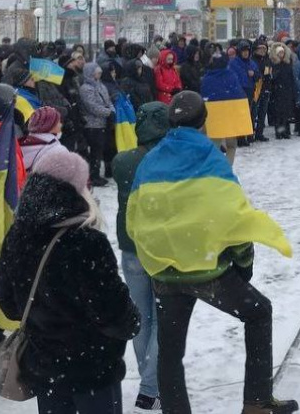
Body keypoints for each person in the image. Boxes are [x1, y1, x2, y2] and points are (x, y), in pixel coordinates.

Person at [126, 91, 297, 414]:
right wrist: (242, 264)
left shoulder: (151, 160)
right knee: (258, 312)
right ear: (204, 121)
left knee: (170, 350)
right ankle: (257, 402)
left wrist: (157, 259)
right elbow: (233, 215)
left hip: (165, 271)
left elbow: (135, 219)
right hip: (208, 270)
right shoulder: (210, 157)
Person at [0, 150, 140, 414]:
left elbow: (8, 304)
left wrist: (45, 318)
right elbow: (114, 314)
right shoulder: (87, 243)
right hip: (92, 369)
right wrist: (132, 320)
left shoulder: (17, 235)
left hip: (45, 366)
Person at [111, 102, 170, 411]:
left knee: (141, 317)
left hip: (131, 245)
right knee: (164, 317)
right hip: (162, 246)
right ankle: (150, 386)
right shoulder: (170, 160)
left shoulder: (122, 161)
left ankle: (149, 381)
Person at [78, 62, 113, 187]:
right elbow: (92, 107)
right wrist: (108, 113)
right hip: (92, 125)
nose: (99, 75)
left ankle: (96, 174)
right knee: (94, 151)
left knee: (99, 151)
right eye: (97, 73)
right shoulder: (86, 89)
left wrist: (111, 111)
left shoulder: (101, 86)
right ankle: (93, 175)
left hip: (102, 123)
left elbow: (107, 101)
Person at [20, 106, 69, 175]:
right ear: (50, 125)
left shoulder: (19, 143)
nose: (61, 125)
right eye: (58, 122)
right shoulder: (58, 150)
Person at [269, 44, 296, 139]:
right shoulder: (274, 64)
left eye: (282, 52)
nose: (281, 54)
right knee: (278, 114)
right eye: (280, 52)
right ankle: (279, 131)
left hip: (287, 91)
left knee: (286, 113)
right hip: (277, 91)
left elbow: (291, 77)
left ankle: (285, 131)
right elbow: (272, 78)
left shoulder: (287, 63)